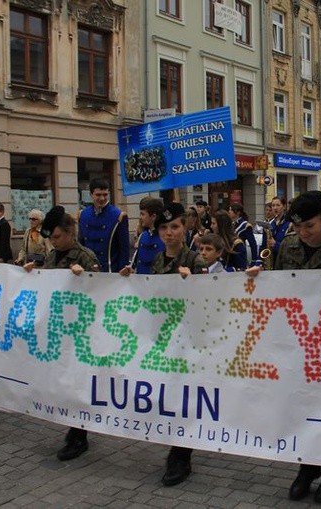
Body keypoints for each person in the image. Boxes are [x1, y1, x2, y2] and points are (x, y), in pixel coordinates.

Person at [247, 190, 321, 504]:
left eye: (309, 226)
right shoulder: (289, 246)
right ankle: (307, 466)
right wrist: (260, 278)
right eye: (298, 227)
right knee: (301, 405)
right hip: (298, 343)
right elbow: (279, 287)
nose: (303, 232)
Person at [25, 206, 100, 460]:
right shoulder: (52, 257)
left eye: (57, 237)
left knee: (76, 383)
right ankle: (75, 430)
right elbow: (46, 285)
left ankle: (79, 435)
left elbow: (100, 293)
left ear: (70, 232)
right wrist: (30, 276)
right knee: (63, 381)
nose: (54, 242)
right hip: (58, 331)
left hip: (80, 333)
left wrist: (85, 277)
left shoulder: (86, 257)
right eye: (51, 239)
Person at [145, 202, 206, 486]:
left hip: (190, 341)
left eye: (175, 227)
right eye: (164, 228)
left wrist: (193, 283)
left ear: (185, 228)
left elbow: (211, 298)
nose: (169, 233)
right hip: (164, 340)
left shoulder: (195, 260)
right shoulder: (157, 260)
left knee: (185, 396)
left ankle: (181, 455)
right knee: (168, 394)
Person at [78, 178, 129, 273]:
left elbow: (124, 249)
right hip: (87, 270)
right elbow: (80, 245)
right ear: (91, 194)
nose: (102, 198)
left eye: (105, 195)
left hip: (109, 271)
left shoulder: (118, 216)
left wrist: (122, 271)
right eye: (98, 195)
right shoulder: (83, 214)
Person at [123, 197, 165, 275]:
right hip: (141, 283)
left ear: (153, 216)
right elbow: (136, 262)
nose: (140, 217)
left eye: (142, 214)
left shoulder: (164, 238)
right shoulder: (143, 236)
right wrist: (130, 270)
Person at [267, 196, 290, 261]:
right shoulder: (270, 224)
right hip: (272, 260)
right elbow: (263, 246)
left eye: (278, 205)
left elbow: (291, 248)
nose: (275, 208)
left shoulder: (289, 224)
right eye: (273, 205)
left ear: (284, 207)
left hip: (285, 261)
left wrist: (276, 244)